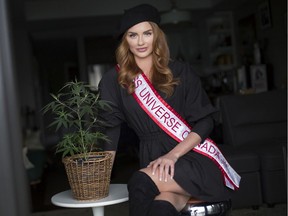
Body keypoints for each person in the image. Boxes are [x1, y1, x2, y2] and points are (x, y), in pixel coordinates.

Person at [99, 4, 239, 216]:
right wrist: (101, 179)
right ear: (125, 40)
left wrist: (173, 156)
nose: (140, 41)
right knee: (163, 205)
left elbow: (205, 121)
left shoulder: (181, 71)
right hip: (153, 159)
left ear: (157, 35)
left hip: (191, 157)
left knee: (139, 183)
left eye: (147, 33)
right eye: (132, 35)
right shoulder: (113, 80)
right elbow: (110, 130)